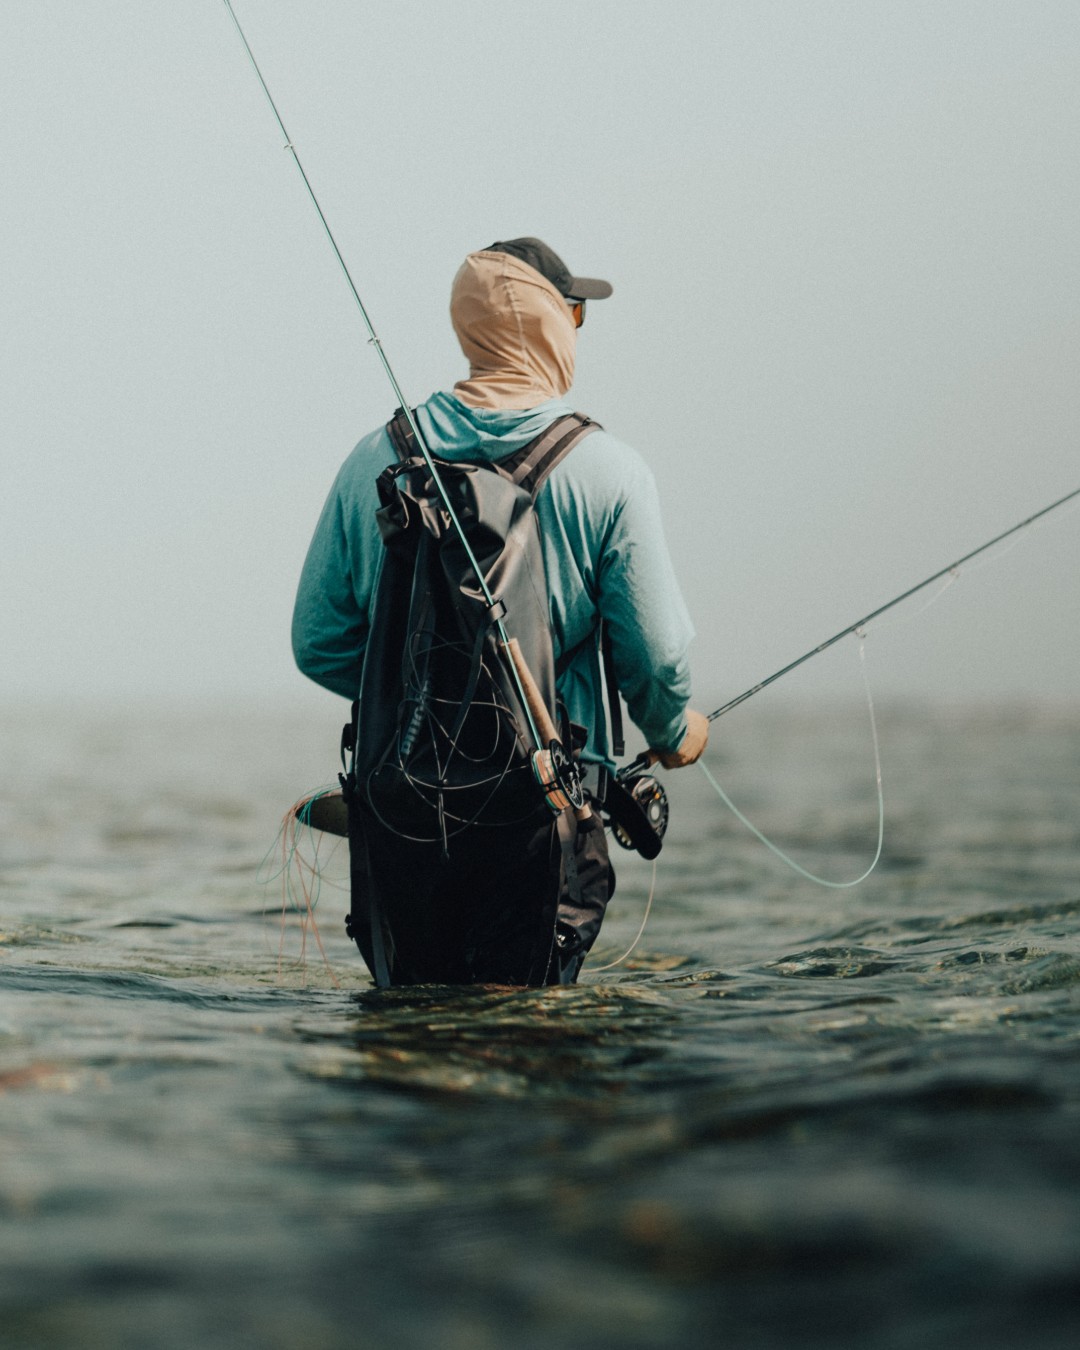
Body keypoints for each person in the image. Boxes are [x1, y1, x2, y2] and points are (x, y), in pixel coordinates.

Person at [292, 237, 708, 986]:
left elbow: (319, 641)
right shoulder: (609, 472)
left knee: (406, 1032)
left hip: (399, 814)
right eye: (574, 312)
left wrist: (427, 699)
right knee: (529, 1030)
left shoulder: (373, 459)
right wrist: (675, 732)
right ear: (551, 323)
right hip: (544, 815)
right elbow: (658, 656)